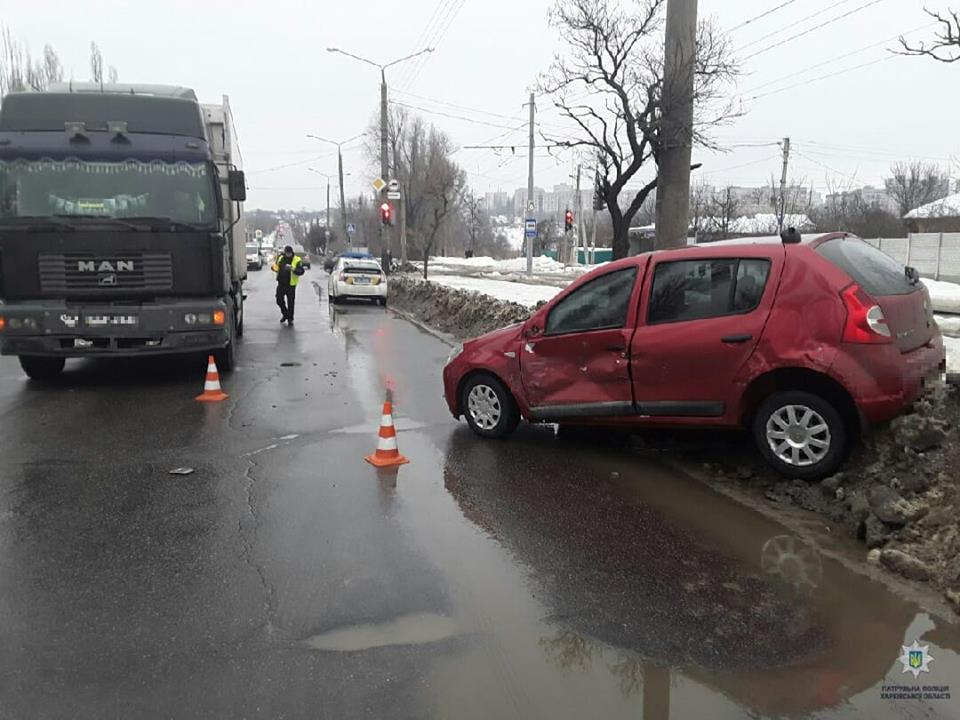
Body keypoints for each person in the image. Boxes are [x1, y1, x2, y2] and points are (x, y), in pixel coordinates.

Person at [272, 245, 305, 326]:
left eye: (289, 253)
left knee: (290, 303)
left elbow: (301, 271)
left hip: (291, 284)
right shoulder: (280, 257)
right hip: (281, 283)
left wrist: (293, 269)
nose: (288, 255)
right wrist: (274, 268)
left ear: (291, 252)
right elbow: (276, 266)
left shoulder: (297, 259)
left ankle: (290, 319)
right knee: (279, 300)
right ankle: (285, 314)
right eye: (286, 253)